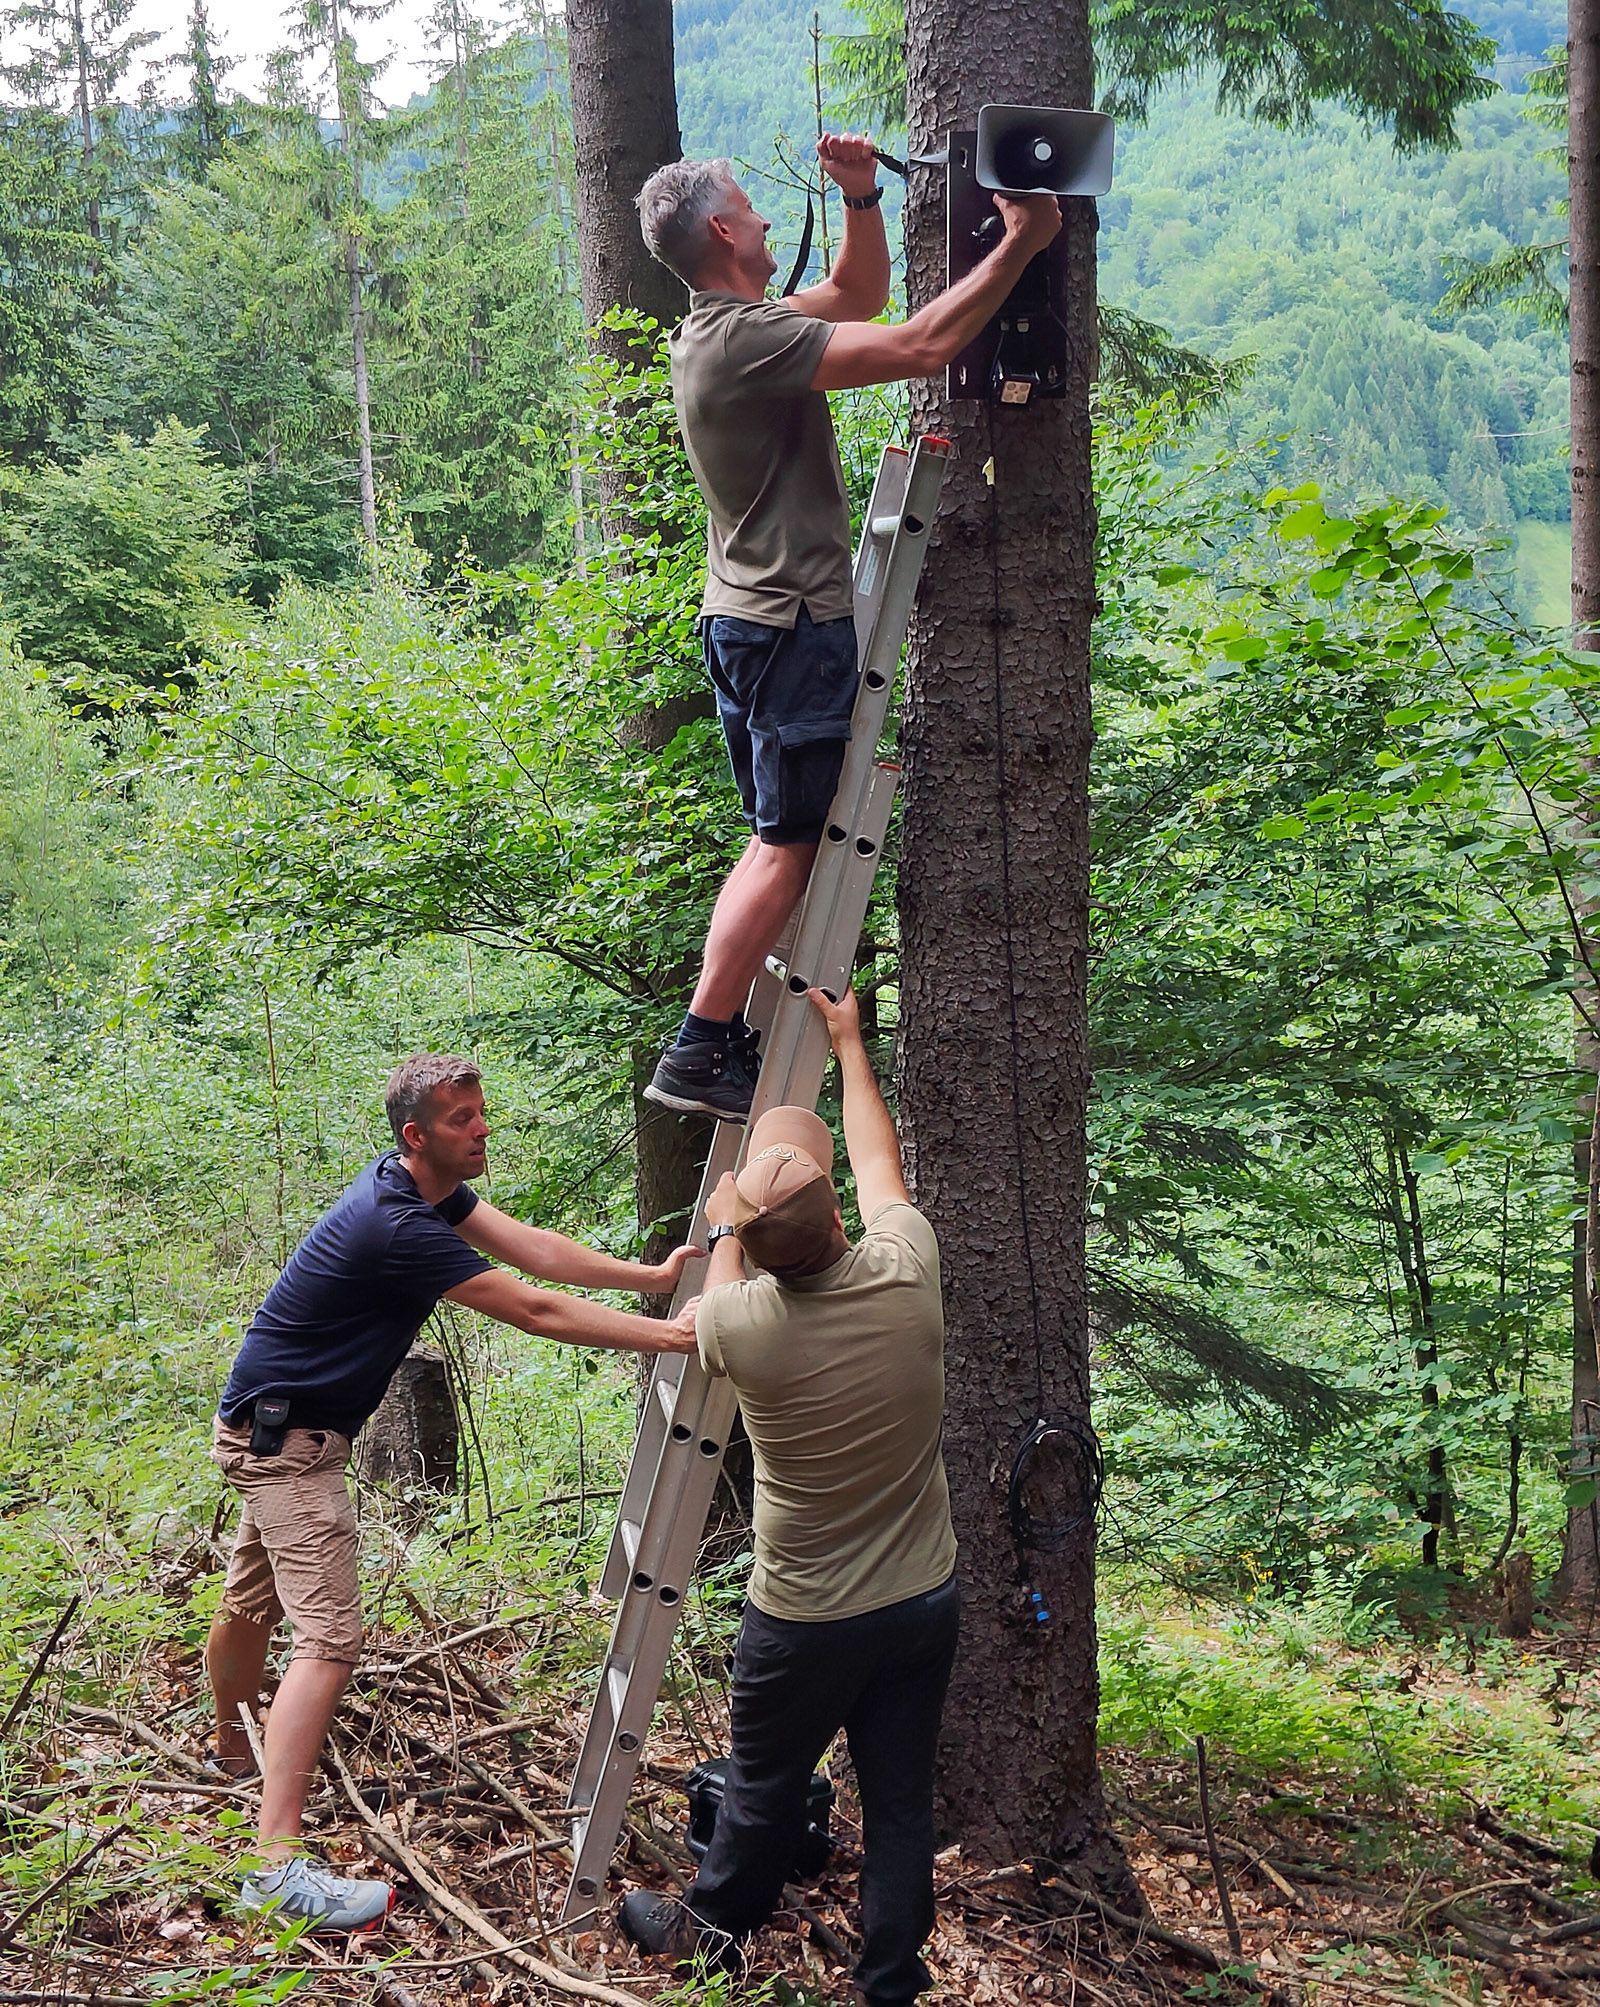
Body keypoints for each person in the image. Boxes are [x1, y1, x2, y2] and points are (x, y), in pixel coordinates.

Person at [205, 1052, 701, 1932]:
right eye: (463, 1118)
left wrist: (650, 1279)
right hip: (289, 1447)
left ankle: (234, 1752)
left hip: (268, 1425)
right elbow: (534, 1309)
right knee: (329, 1639)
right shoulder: (396, 1223)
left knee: (253, 1601)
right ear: (415, 1136)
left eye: (481, 1110)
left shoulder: (425, 1189)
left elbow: (535, 1252)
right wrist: (671, 1336)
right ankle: (273, 1863)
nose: (482, 1128)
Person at [633, 139, 1061, 1121]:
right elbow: (914, 346)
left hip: (751, 619)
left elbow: (857, 300)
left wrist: (861, 196)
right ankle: (701, 1043)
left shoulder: (731, 328)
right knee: (787, 843)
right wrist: (1022, 246)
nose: (769, 219)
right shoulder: (747, 342)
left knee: (771, 839)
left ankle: (713, 1037)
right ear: (728, 232)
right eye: (753, 205)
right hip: (788, 623)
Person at [618, 987, 958, 2007]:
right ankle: (891, 1980)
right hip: (920, 1602)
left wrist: (731, 1200)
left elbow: (723, 1274)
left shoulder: (739, 1329)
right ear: (837, 1218)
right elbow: (875, 1157)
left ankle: (710, 1939)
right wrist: (851, 1043)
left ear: (753, 1247)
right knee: (901, 1805)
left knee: (763, 1789)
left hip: (803, 1616)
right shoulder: (908, 1272)